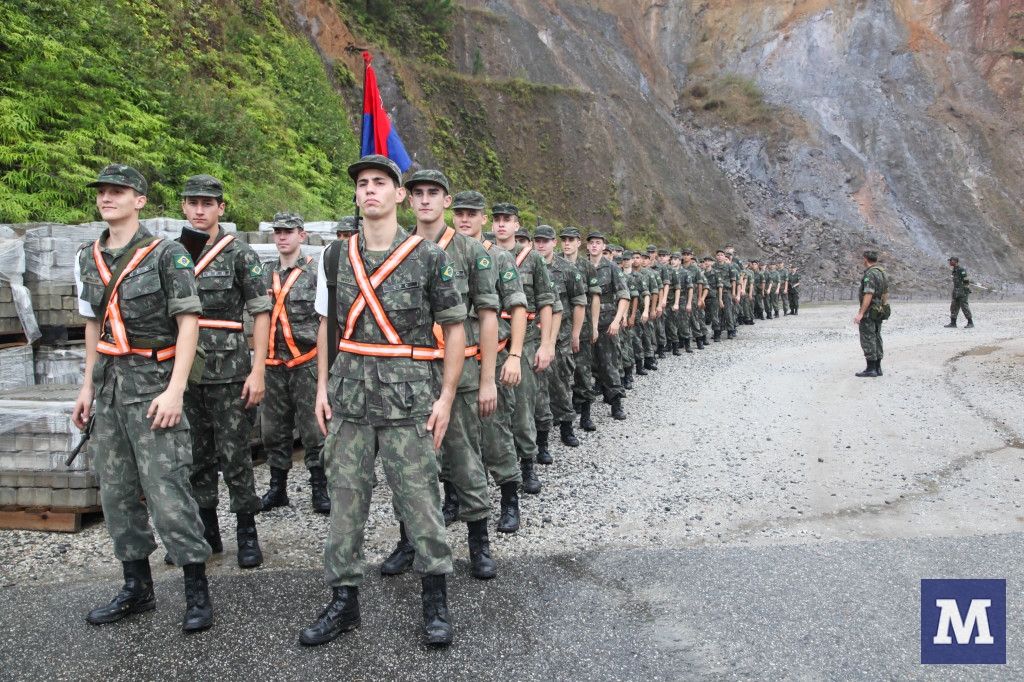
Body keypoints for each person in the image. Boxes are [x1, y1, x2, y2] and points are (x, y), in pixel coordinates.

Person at [301, 155, 466, 647]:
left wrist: (447, 397)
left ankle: (434, 602)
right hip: (349, 400)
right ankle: (343, 602)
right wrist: (320, 390)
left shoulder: (429, 257)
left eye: (380, 183)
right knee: (346, 505)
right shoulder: (334, 257)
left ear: (400, 195)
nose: (369, 190)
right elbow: (326, 329)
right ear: (356, 196)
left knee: (420, 502)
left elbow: (456, 328)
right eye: (362, 184)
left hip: (409, 401)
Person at [73, 164, 213, 632]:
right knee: (116, 495)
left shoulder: (167, 255)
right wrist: (87, 387)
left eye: (118, 191)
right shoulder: (88, 256)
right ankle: (137, 588)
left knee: (168, 489)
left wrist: (176, 389)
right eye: (103, 192)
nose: (107, 198)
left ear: (140, 200)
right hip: (111, 389)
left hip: (155, 385)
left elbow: (189, 322)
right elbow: (94, 324)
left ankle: (197, 591)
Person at [379, 169, 500, 581]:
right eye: (418, 194)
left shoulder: (469, 251)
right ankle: (408, 540)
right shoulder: (395, 249)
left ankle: (478, 541)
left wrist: (487, 377)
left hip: (461, 371)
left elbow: (487, 315)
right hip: (409, 373)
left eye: (434, 193)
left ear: (446, 201)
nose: (425, 200)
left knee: (464, 457)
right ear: (406, 199)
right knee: (407, 462)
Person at [171, 174, 271, 570]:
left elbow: (261, 312)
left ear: (221, 208)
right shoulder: (172, 253)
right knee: (195, 455)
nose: (200, 210)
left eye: (208, 203)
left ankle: (246, 532)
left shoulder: (239, 254)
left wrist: (258, 368)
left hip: (229, 370)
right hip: (185, 371)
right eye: (193, 202)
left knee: (235, 455)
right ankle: (207, 532)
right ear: (183, 206)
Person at [452, 190, 528, 532]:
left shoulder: (498, 257)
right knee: (452, 436)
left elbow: (517, 307)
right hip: (451, 360)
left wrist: (513, 355)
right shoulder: (439, 254)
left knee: (494, 433)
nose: (465, 219)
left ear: (484, 219)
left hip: (491, 358)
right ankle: (455, 498)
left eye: (472, 214)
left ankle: (509, 498)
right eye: (460, 213)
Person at [259, 212, 329, 514]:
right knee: (273, 429)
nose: (282, 237)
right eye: (278, 232)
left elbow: (326, 320)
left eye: (289, 231)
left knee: (314, 429)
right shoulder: (263, 273)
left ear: (302, 235)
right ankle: (278, 487)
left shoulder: (315, 274)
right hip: (273, 364)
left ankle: (319, 486)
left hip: (306, 362)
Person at [491, 204, 557, 494]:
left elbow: (548, 302)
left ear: (517, 226)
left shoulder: (532, 260)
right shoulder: (484, 254)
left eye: (507, 220)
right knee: (491, 408)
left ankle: (526, 465)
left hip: (526, 341)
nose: (502, 225)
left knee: (522, 407)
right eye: (497, 220)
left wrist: (546, 345)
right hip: (489, 343)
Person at [533, 225, 587, 459]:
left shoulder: (567, 269)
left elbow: (579, 301)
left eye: (546, 241)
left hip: (561, 336)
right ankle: (541, 439)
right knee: (537, 389)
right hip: (533, 335)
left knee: (561, 382)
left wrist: (575, 334)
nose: (541, 244)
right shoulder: (527, 264)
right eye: (538, 240)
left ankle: (566, 426)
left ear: (554, 243)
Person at [559, 227, 601, 432]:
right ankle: (560, 416)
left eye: (571, 240)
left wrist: (593, 326)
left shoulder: (587, 267)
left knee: (583, 372)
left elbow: (594, 299)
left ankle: (585, 415)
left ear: (578, 243)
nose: (566, 243)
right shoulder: (554, 264)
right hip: (558, 329)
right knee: (558, 375)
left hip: (582, 330)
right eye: (564, 240)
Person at [586, 232, 630, 420]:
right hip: (585, 321)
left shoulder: (611, 267)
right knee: (585, 365)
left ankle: (616, 403)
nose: (595, 246)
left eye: (598, 243)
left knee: (610, 364)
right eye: (592, 243)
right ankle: (583, 404)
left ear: (604, 246)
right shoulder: (581, 266)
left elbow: (624, 295)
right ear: (587, 246)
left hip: (607, 322)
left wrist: (617, 321)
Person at [854, 250, 888, 378]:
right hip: (878, 310)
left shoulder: (870, 274)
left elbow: (868, 294)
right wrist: (882, 307)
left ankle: (871, 368)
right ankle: (878, 367)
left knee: (868, 338)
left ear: (865, 259)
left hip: (869, 311)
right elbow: (886, 293)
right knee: (877, 336)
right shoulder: (882, 273)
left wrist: (861, 313)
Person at [945, 257, 974, 328]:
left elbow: (966, 280)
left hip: (962, 291)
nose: (950, 262)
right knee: (954, 307)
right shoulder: (954, 270)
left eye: (951, 261)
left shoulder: (961, 269)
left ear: (955, 261)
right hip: (956, 291)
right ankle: (953, 322)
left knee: (964, 306)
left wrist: (967, 289)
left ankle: (970, 322)